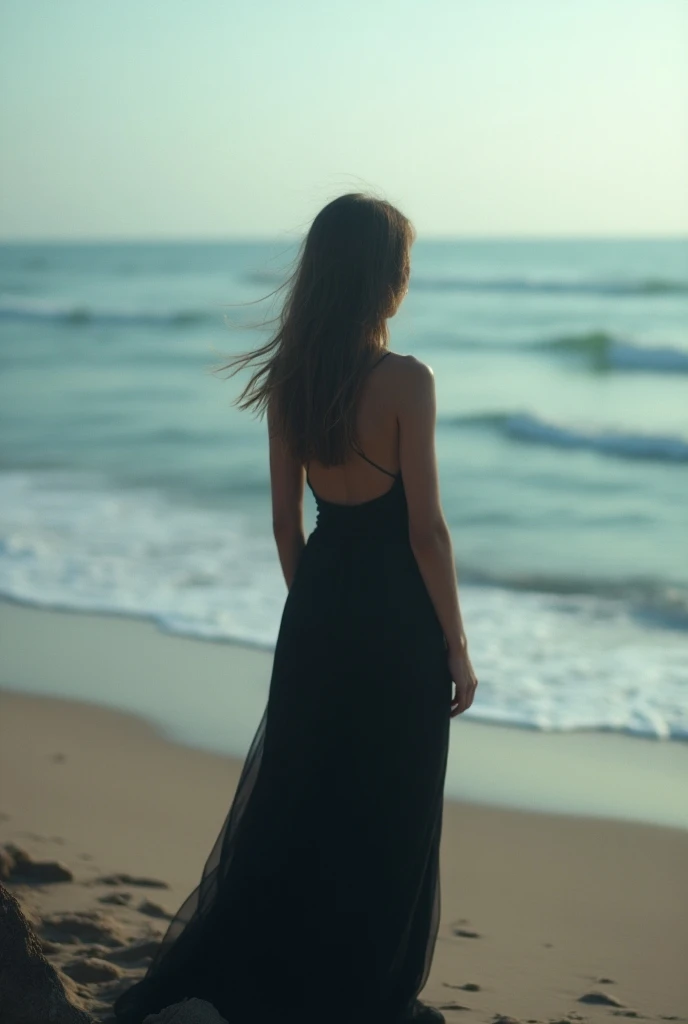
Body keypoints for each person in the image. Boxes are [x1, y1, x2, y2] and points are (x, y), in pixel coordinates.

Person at [113, 192, 478, 1024]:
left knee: (306, 797)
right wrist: (456, 646)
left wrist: (318, 616)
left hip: (316, 611)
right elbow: (427, 534)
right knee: (389, 804)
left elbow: (287, 522)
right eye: (403, 265)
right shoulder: (406, 382)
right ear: (383, 276)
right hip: (397, 627)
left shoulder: (291, 382)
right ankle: (365, 985)